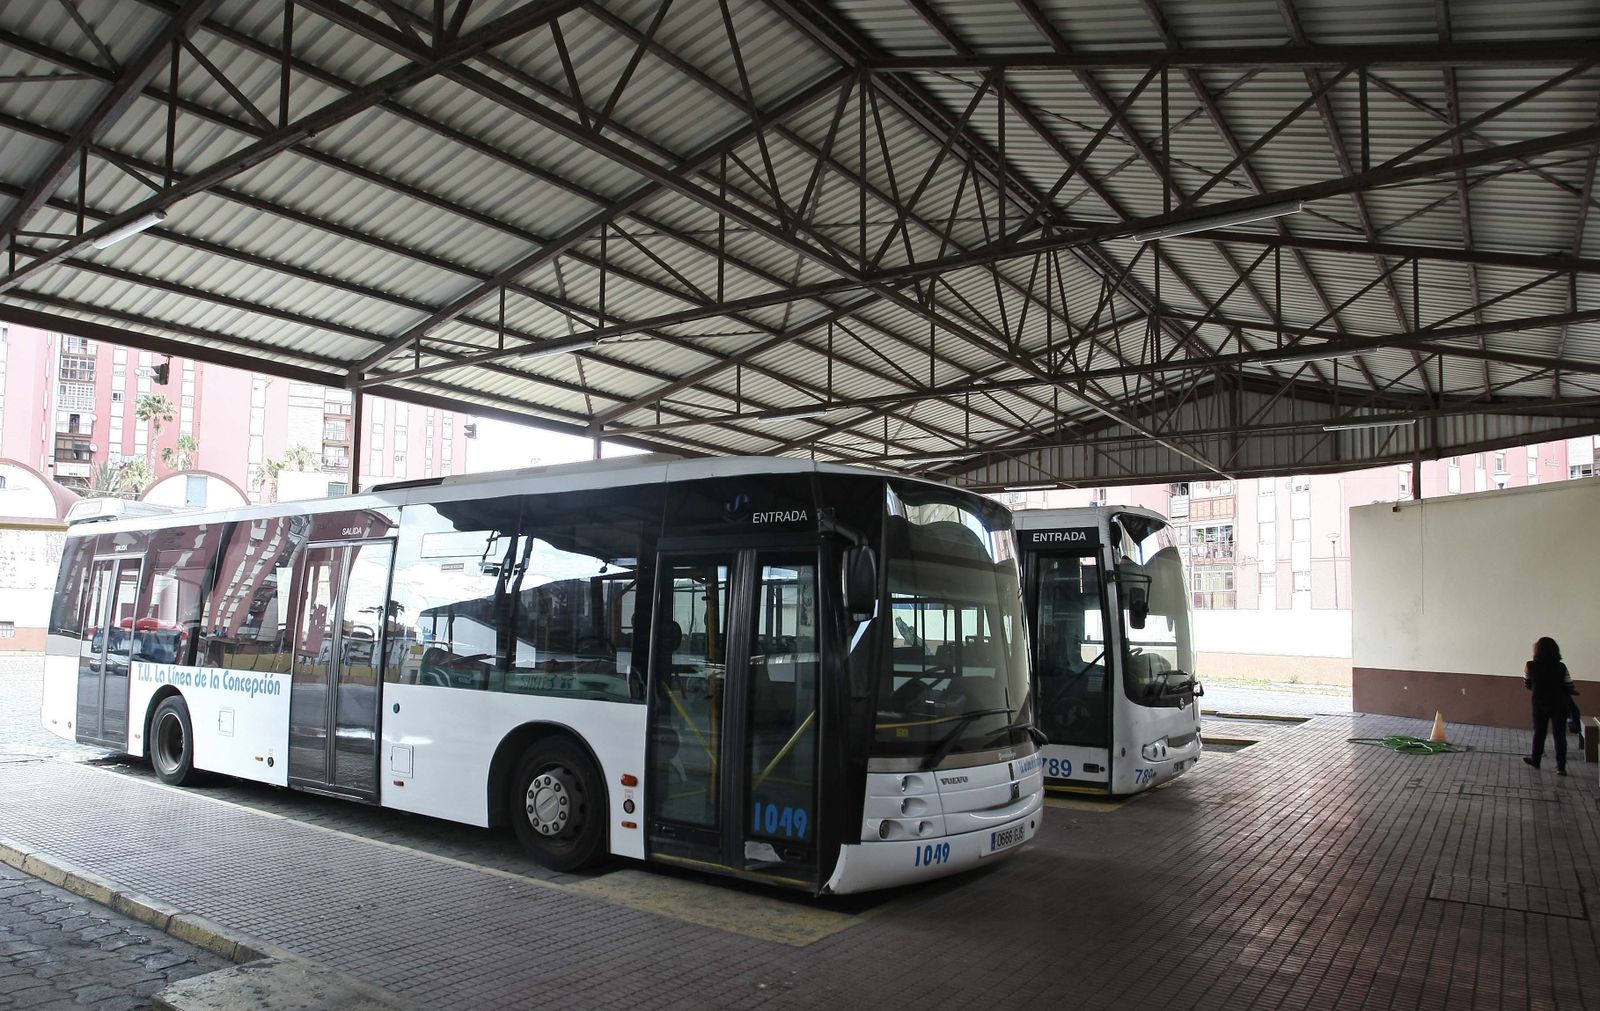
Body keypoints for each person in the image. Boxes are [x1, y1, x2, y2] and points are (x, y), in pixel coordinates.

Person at [1523, 636, 1574, 775]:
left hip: (1539, 703)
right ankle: (1561, 767)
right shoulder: (1561, 667)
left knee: (1539, 733)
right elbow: (1569, 685)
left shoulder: (1530, 665)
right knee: (1560, 735)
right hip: (1559, 704)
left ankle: (1536, 760)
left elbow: (1527, 684)